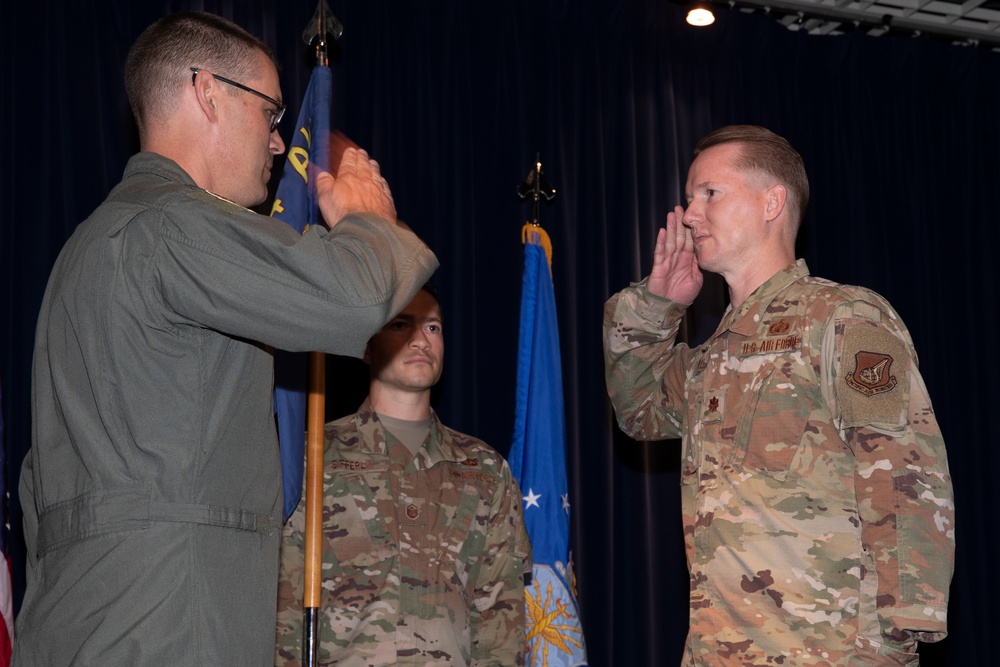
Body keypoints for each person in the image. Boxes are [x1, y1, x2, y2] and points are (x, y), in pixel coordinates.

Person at [14, 11, 438, 667]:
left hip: (83, 617)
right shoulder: (175, 225)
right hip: (171, 622)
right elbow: (353, 298)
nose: (277, 143)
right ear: (208, 93)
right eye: (270, 114)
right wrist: (369, 219)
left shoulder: (87, 247)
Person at [603, 125, 954, 665]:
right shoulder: (710, 358)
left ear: (772, 201)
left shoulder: (842, 317)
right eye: (690, 197)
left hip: (828, 649)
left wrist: (897, 637)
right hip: (720, 650)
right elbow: (638, 411)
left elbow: (904, 475)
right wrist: (655, 307)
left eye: (710, 194)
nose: (690, 213)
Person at [275, 285, 532, 667]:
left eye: (433, 328)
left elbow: (499, 619)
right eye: (400, 325)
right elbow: (283, 605)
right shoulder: (311, 456)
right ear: (366, 346)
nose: (420, 340)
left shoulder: (484, 470)